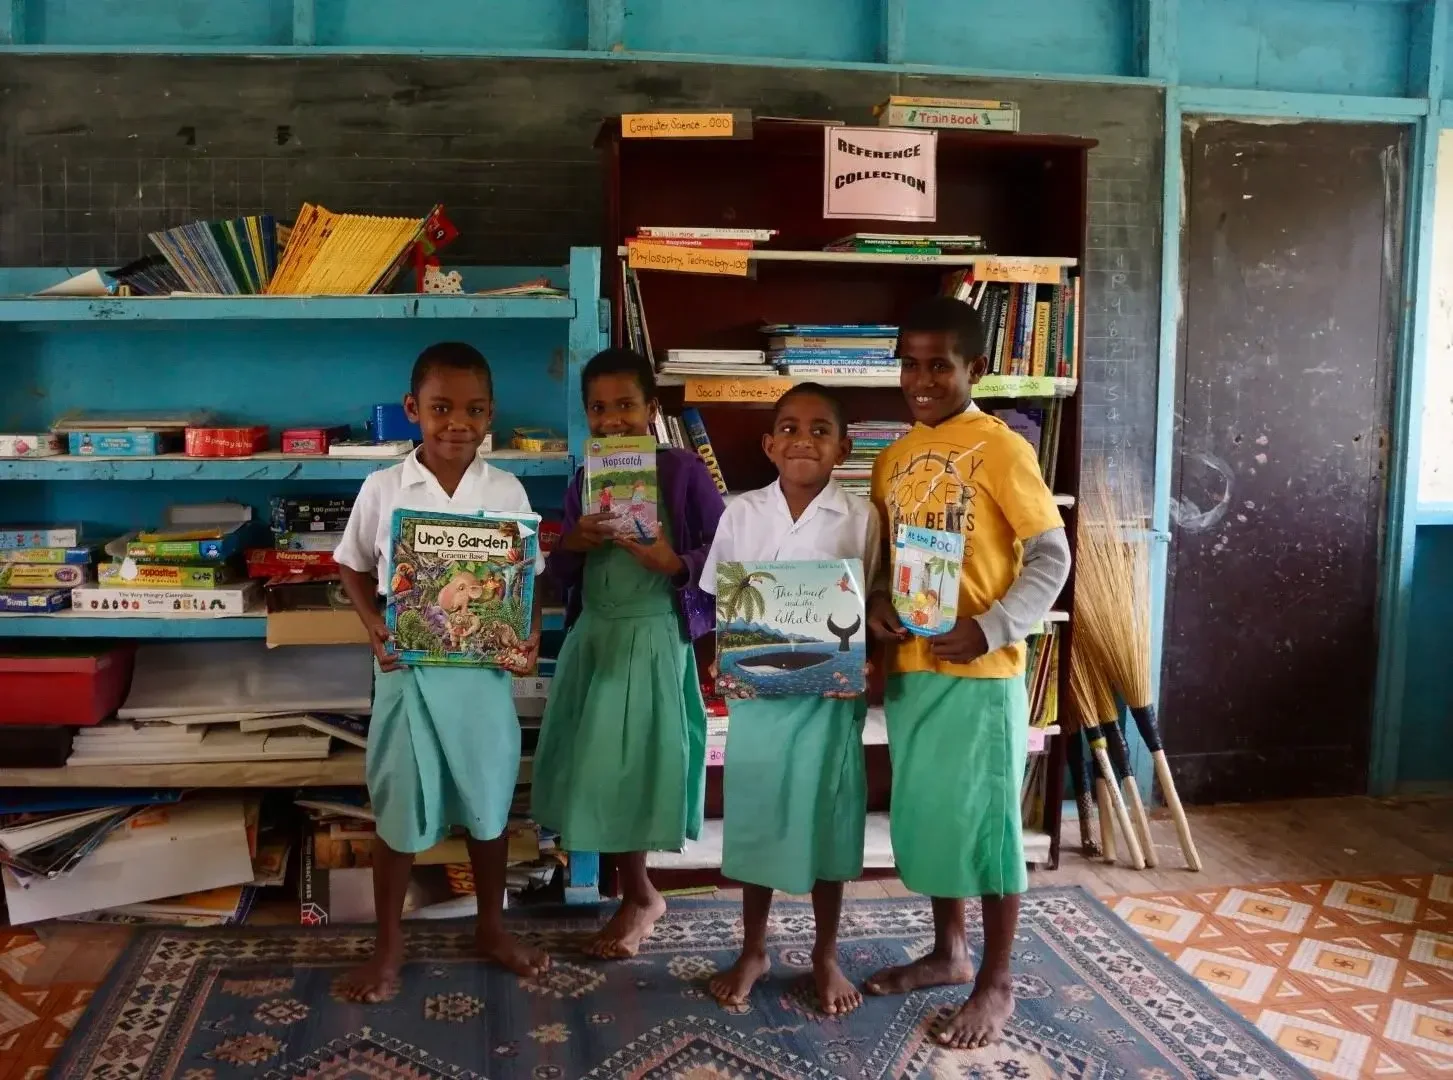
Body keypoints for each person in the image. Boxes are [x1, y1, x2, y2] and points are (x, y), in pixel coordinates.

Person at [865, 297, 1071, 1049]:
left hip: (982, 675)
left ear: (973, 369)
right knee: (937, 821)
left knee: (986, 830)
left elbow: (1051, 556)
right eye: (909, 364)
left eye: (939, 365)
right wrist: (883, 601)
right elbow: (886, 563)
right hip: (915, 670)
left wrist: (990, 628)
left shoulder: (1002, 446)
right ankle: (950, 953)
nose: (921, 379)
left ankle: (996, 981)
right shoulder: (890, 457)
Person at [334, 341, 548, 1001]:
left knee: (487, 806)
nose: (458, 422)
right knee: (398, 805)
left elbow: (524, 582)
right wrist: (374, 625)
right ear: (412, 410)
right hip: (408, 676)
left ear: (491, 417)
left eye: (474, 409)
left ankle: (491, 925)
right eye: (441, 408)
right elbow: (349, 565)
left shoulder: (505, 488)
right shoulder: (384, 487)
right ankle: (388, 945)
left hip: (480, 682)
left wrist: (528, 639)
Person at [531, 347, 725, 958]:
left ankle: (641, 895)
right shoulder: (583, 477)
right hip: (595, 639)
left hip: (652, 636)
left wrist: (676, 563)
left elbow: (731, 558)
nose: (613, 420)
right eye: (599, 409)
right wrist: (574, 541)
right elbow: (562, 573)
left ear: (652, 409)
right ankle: (636, 892)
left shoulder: (683, 473)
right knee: (591, 768)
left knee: (636, 766)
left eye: (626, 406)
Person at [701, 384, 879, 1016]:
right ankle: (754, 947)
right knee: (758, 813)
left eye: (821, 429)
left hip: (829, 700)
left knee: (827, 819)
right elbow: (724, 603)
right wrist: (720, 656)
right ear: (768, 443)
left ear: (843, 446)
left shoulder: (861, 517)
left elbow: (870, 602)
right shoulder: (741, 512)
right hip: (762, 701)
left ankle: (824, 954)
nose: (804, 439)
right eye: (790, 428)